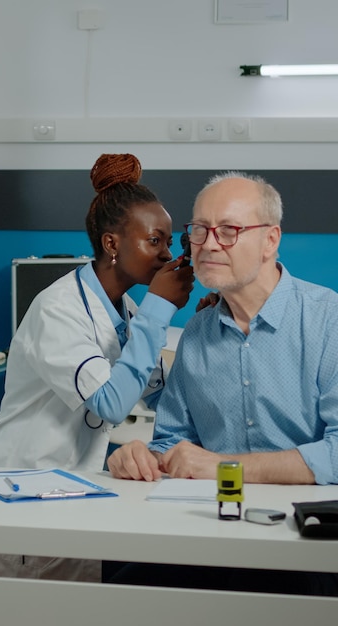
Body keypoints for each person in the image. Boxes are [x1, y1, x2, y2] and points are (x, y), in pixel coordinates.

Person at [107, 171, 338, 595]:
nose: (209, 244)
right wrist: (140, 458)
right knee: (114, 597)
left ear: (271, 240)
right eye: (199, 230)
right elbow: (174, 441)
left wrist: (225, 468)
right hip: (216, 533)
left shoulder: (328, 322)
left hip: (308, 539)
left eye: (230, 230)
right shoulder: (197, 334)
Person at [0, 152, 194, 582]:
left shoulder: (129, 310)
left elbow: (161, 392)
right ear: (112, 243)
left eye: (169, 242)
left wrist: (208, 327)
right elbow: (111, 404)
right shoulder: (58, 309)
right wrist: (159, 311)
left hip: (72, 489)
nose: (166, 255)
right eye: (154, 241)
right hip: (19, 489)